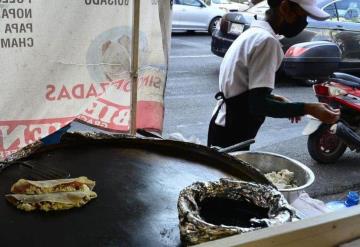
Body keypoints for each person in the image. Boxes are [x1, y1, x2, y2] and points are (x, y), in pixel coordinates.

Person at [207, 0, 340, 149]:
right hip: (233, 131)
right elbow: (258, 105)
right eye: (302, 16)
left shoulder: (253, 33)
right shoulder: (267, 42)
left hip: (223, 124)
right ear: (285, 8)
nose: (304, 23)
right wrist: (309, 108)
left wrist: (272, 98)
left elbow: (242, 90)